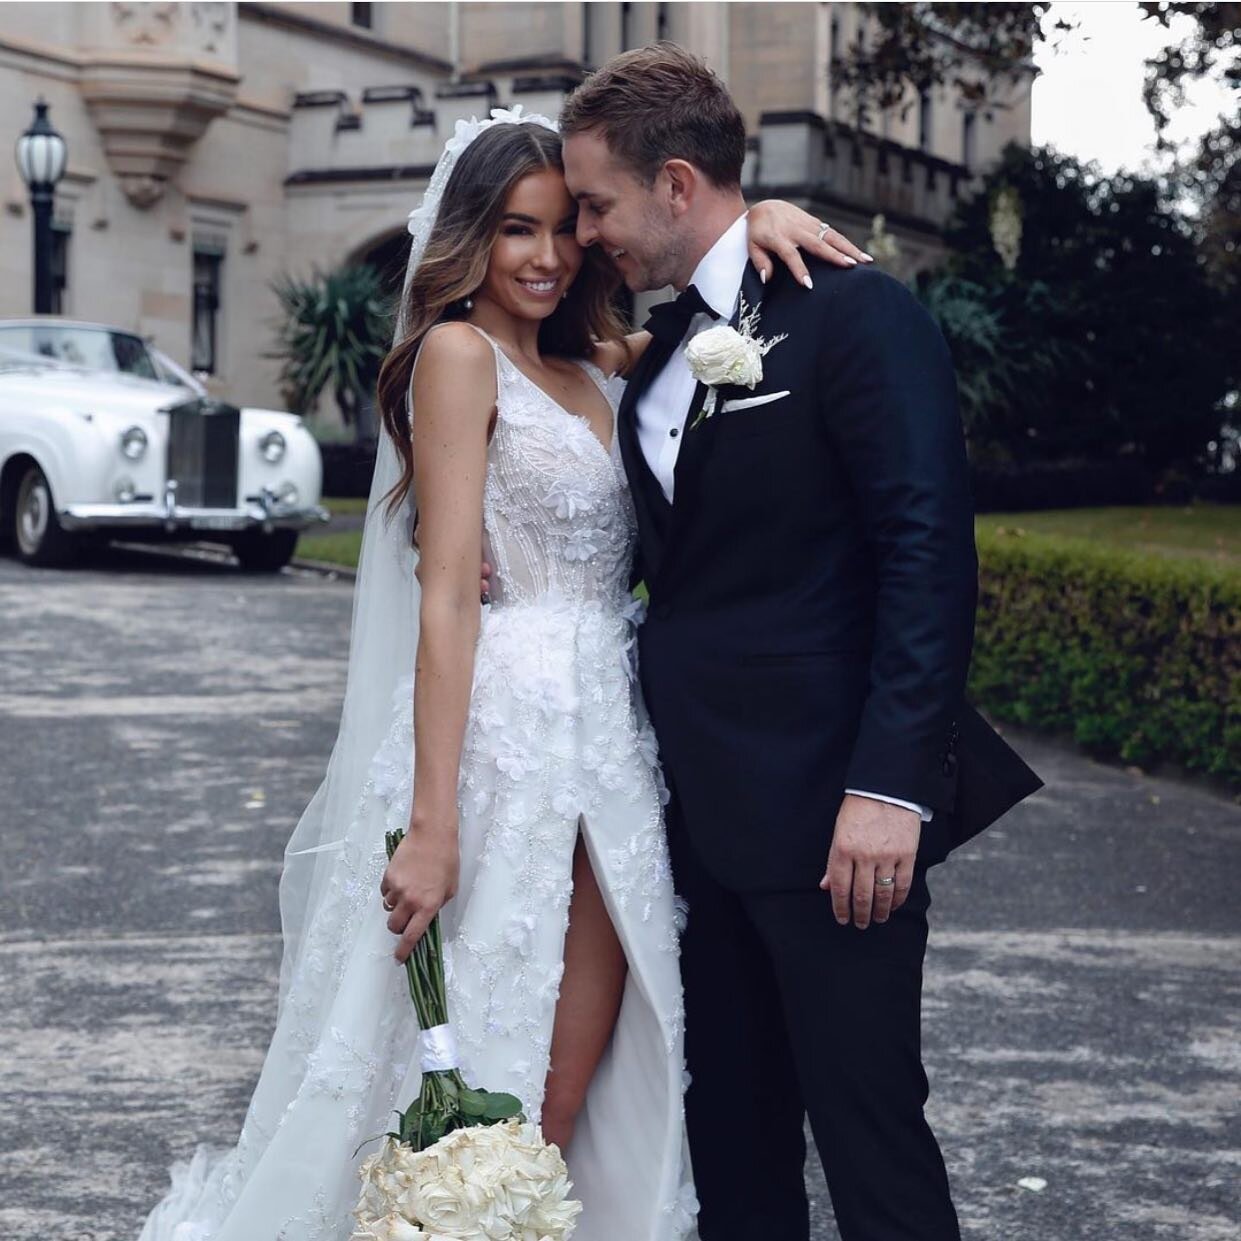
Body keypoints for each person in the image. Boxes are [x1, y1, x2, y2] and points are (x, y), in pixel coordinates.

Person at [137, 106, 865, 1241]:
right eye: (514, 229)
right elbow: (442, 599)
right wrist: (430, 822)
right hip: (503, 735)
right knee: (470, 1036)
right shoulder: (456, 354)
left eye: (563, 226)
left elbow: (704, 300)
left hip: (612, 735)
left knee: (579, 1052)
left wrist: (754, 211)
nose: (543, 255)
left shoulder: (595, 361)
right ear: (468, 237)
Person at [555, 44, 1044, 1241]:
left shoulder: (858, 316)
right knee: (730, 1137)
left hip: (834, 822)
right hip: (688, 819)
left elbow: (925, 554)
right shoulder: (662, 343)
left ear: (676, 185)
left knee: (868, 1131)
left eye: (595, 205)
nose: (580, 234)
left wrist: (888, 785)